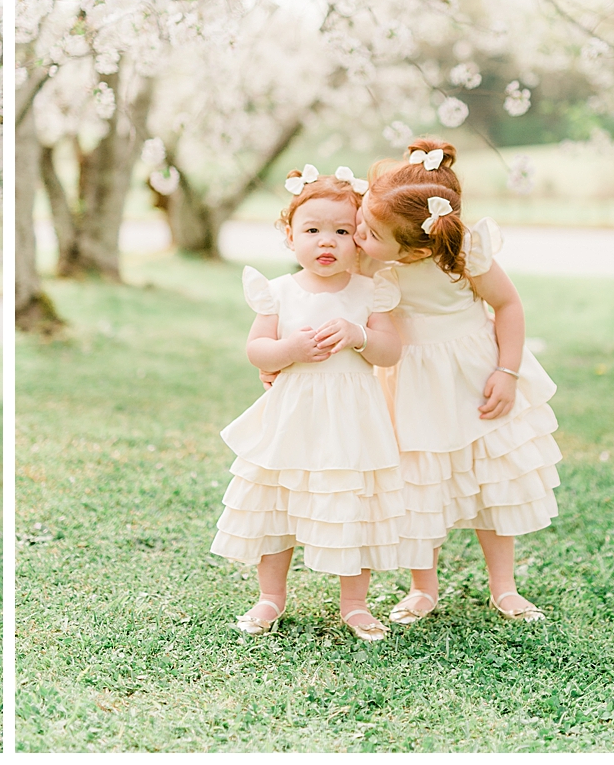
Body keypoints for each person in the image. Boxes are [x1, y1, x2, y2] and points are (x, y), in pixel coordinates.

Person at [355, 139, 561, 625]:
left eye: (368, 229)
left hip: (474, 373)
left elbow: (508, 306)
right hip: (412, 381)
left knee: (492, 481)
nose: (357, 231)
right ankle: (422, 587)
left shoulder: (464, 253)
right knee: (419, 482)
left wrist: (506, 372)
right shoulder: (372, 259)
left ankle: (504, 587)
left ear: (419, 247)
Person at [212, 165, 409, 642]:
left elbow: (391, 350)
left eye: (342, 231)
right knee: (278, 505)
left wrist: (359, 334)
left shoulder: (369, 293)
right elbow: (257, 349)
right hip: (293, 418)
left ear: (359, 238)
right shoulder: (279, 293)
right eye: (313, 230)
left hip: (351, 421)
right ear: (289, 236)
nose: (327, 242)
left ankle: (355, 603)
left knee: (350, 505)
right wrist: (289, 351)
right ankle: (270, 597)